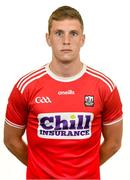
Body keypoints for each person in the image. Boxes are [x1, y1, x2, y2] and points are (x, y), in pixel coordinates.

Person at [4, 5, 123, 179]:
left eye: (73, 34)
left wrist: (84, 171)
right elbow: (11, 140)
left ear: (82, 39)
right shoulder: (26, 86)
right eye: (59, 33)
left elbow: (114, 143)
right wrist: (40, 169)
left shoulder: (104, 86)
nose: (66, 41)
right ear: (48, 38)